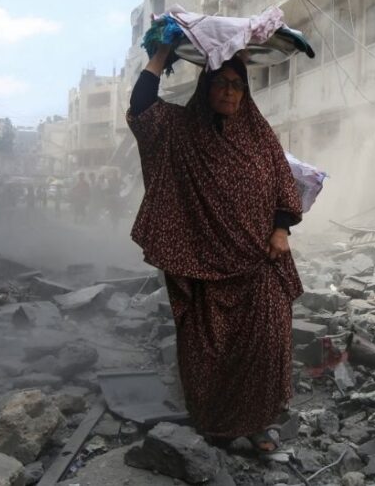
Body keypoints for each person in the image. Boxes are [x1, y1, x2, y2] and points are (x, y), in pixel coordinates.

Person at [127, 43, 302, 453]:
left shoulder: (261, 136)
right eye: (221, 83)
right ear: (206, 87)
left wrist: (281, 231)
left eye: (237, 85)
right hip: (202, 263)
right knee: (207, 350)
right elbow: (142, 108)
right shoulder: (180, 129)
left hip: (259, 262)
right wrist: (161, 54)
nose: (229, 91)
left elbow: (285, 189)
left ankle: (257, 423)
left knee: (265, 343)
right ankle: (215, 426)